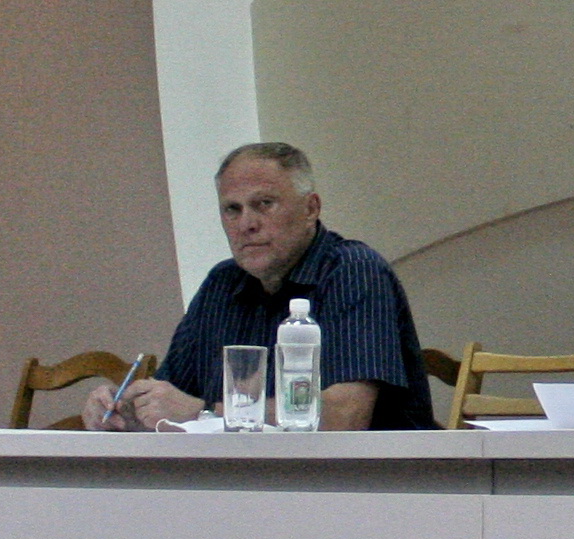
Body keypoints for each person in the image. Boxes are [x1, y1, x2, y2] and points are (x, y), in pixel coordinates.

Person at [87, 142, 435, 430]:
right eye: (232, 209)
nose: (246, 224)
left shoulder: (354, 270)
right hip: (246, 479)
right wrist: (124, 411)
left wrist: (203, 412)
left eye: (264, 204)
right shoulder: (221, 285)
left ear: (310, 208)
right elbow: (171, 401)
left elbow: (344, 417)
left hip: (370, 482)